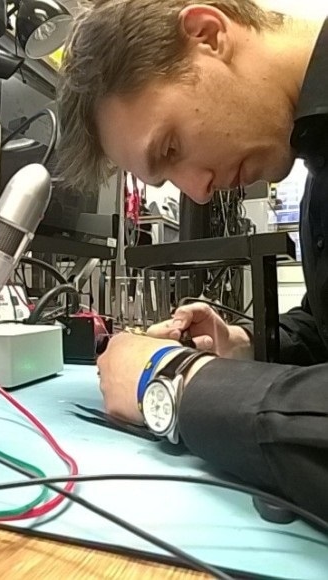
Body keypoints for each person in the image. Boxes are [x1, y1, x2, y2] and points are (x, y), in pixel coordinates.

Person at [57, 0, 328, 519]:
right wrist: (242, 346)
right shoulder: (317, 168)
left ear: (207, 34)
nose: (199, 193)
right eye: (166, 177)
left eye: (170, 147)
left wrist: (176, 381)